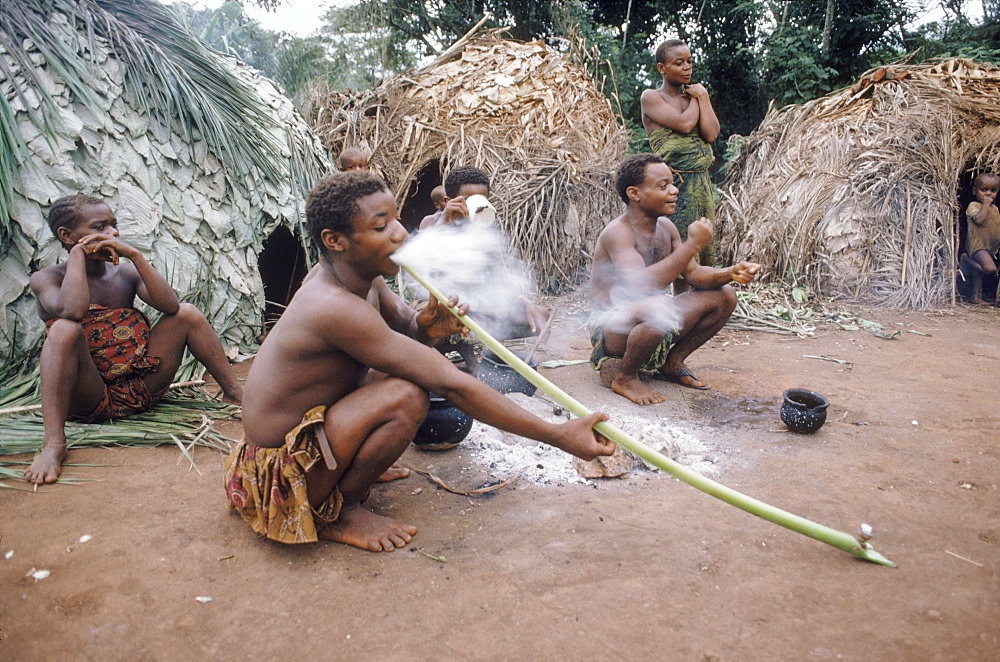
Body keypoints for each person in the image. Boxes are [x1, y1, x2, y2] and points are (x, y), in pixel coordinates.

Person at [225, 171, 613, 552]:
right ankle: (340, 510)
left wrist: (429, 326)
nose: (400, 233)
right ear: (335, 240)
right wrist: (557, 435)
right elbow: (450, 382)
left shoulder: (364, 280)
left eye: (396, 218)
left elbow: (410, 331)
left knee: (392, 374)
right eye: (381, 227)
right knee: (407, 394)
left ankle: (348, 469)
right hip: (279, 473)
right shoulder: (332, 306)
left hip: (305, 442)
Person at [25, 195, 244, 484]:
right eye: (100, 227)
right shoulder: (46, 279)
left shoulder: (123, 273)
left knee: (188, 314)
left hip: (139, 387)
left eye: (114, 225)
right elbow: (74, 311)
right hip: (89, 397)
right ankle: (54, 443)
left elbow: (171, 307)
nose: (113, 233)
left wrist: (136, 257)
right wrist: (78, 255)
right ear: (67, 236)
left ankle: (233, 391)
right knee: (64, 329)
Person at [588, 153, 761, 406]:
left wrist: (730, 272)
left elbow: (694, 274)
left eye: (672, 183)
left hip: (653, 317)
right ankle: (625, 377)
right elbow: (640, 286)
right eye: (663, 186)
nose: (674, 190)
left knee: (725, 295)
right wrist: (692, 245)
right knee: (658, 305)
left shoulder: (666, 228)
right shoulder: (618, 233)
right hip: (612, 328)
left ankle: (672, 363)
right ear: (634, 194)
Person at [417, 166, 549, 367]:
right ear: (452, 199)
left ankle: (473, 343)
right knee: (430, 327)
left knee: (540, 315)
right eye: (469, 199)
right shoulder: (432, 223)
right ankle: (459, 346)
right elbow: (424, 268)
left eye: (483, 198)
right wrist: (444, 222)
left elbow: (499, 273)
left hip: (478, 304)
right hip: (444, 306)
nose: (477, 204)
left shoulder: (486, 224)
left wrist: (520, 299)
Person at [639, 39, 719, 270]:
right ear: (662, 68)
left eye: (690, 62)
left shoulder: (695, 97)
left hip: (701, 185)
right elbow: (684, 124)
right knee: (677, 251)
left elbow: (711, 134)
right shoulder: (652, 97)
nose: (687, 67)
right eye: (679, 63)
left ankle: (702, 303)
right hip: (673, 186)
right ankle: (676, 303)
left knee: (702, 248)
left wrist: (702, 97)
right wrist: (698, 98)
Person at [961, 172, 1000, 304]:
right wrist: (985, 205)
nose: (988, 194)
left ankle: (975, 296)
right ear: (974, 191)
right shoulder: (974, 206)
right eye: (984, 190)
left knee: (979, 274)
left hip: (989, 247)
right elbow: (978, 220)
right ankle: (965, 259)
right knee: (990, 269)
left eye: (993, 191)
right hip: (978, 246)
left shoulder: (994, 208)